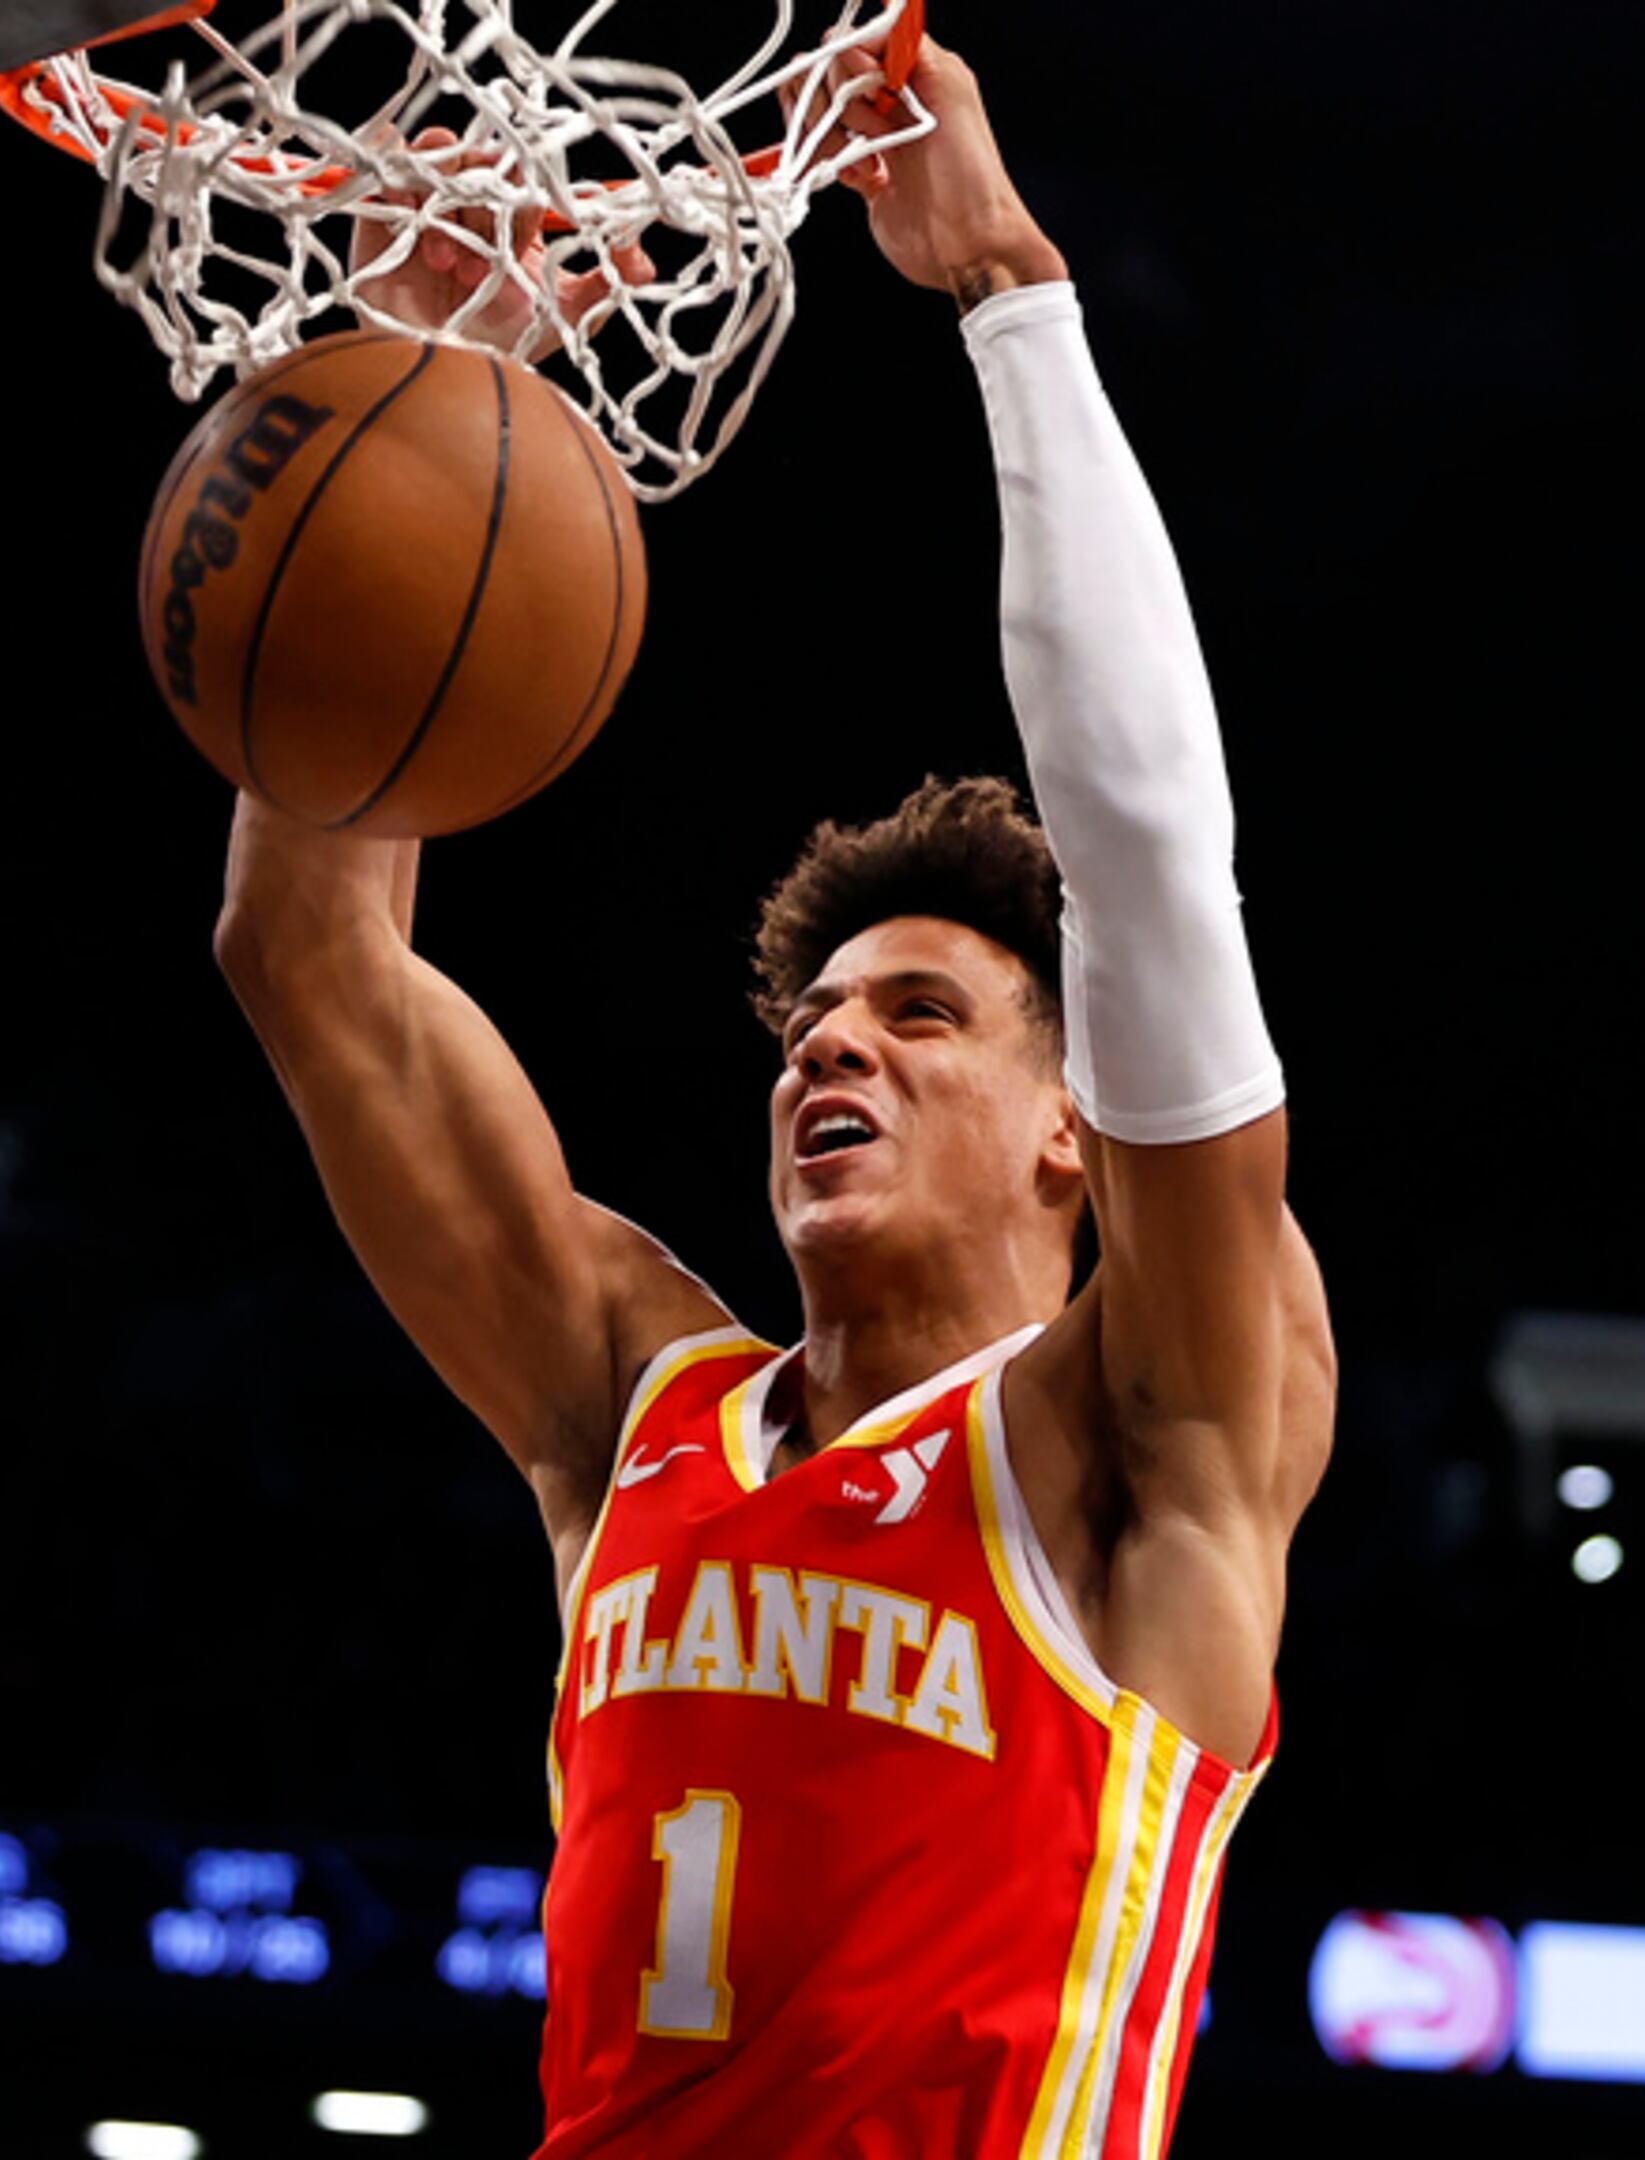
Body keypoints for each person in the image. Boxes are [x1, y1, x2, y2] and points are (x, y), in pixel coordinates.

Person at [211, 35, 1334, 2158]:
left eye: (921, 1017)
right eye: (816, 1019)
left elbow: (1154, 869)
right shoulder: (632, 1402)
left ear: (1069, 1122)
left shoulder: (1156, 1428)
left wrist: (1011, 301)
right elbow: (314, 962)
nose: (831, 1044)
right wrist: (428, 365)